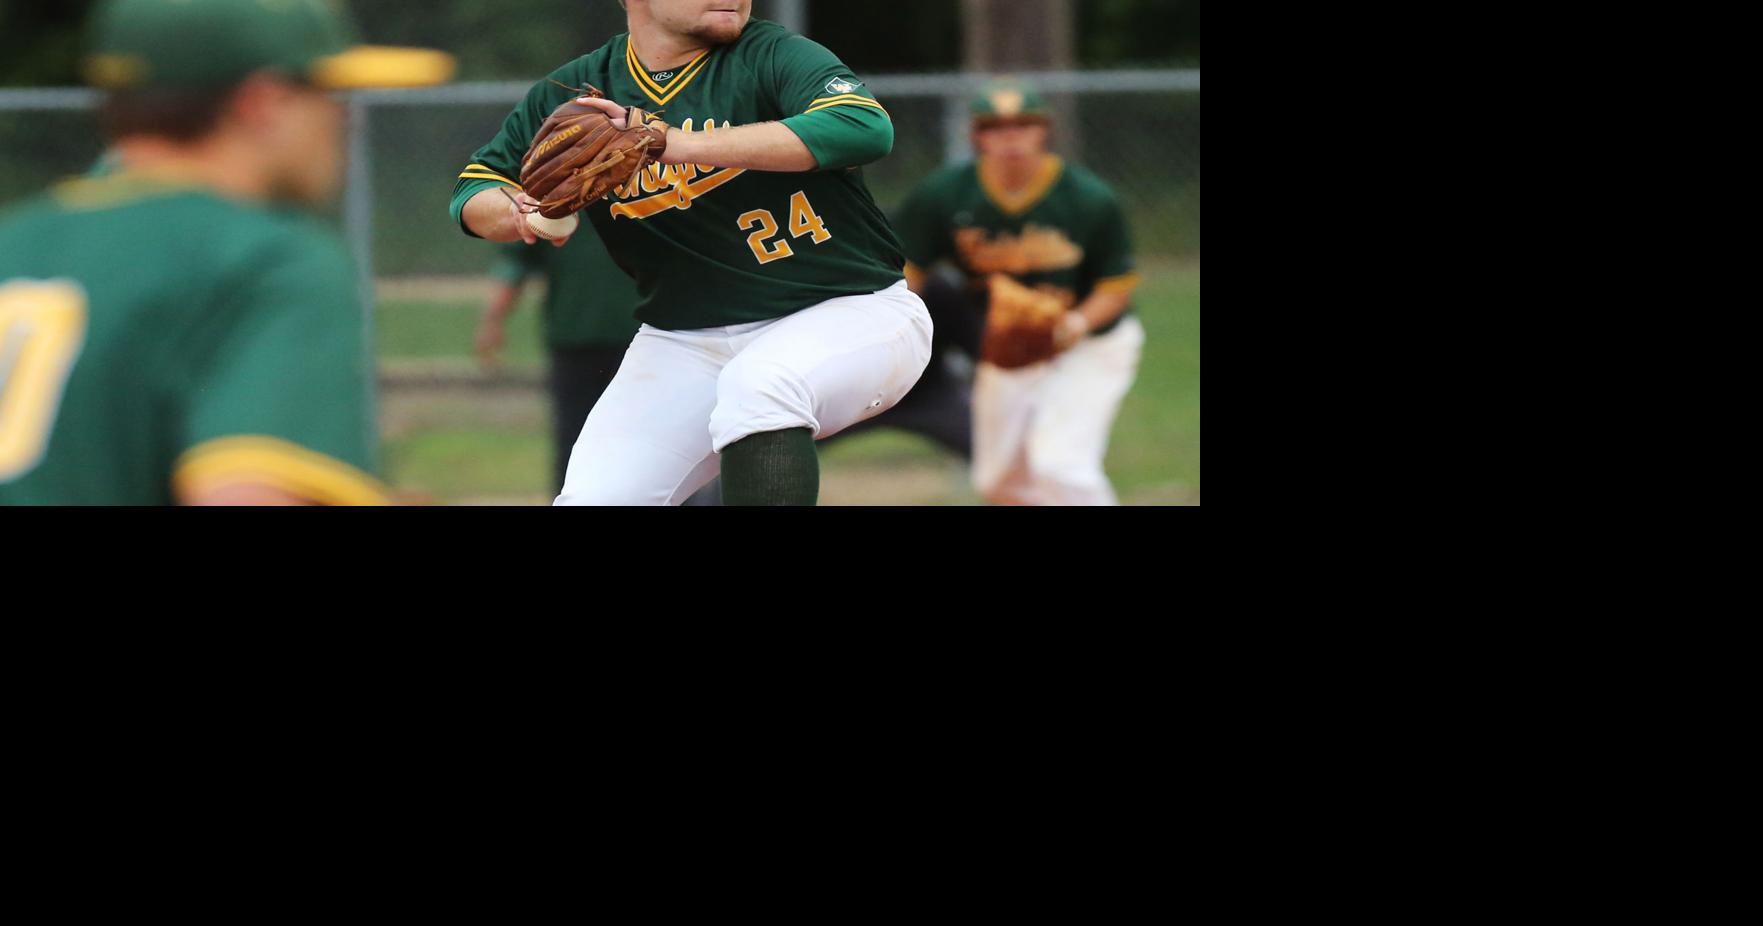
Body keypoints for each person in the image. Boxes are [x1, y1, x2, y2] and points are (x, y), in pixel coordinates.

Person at [449, 0, 931, 506]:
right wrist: (524, 212)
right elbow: (472, 193)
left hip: (849, 311)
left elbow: (863, 127)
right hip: (684, 341)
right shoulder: (580, 89)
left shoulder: (771, 55)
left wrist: (668, 142)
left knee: (763, 386)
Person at [0, 0, 453, 506]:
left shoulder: (16, 240)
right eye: (329, 94)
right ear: (261, 103)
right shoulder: (263, 260)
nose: (348, 120)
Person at [895, 80, 1145, 505]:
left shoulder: (1089, 199)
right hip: (1008, 346)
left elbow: (1115, 288)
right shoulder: (944, 195)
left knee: (1059, 465)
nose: (1010, 138)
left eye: (1023, 125)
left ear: (1043, 131)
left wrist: (1074, 324)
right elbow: (907, 270)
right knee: (998, 483)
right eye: (995, 127)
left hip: (1091, 344)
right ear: (978, 135)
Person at [476, 236, 642, 495]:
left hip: (649, 341)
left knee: (650, 447)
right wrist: (493, 320)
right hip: (575, 340)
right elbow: (517, 259)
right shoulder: (556, 198)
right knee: (576, 447)